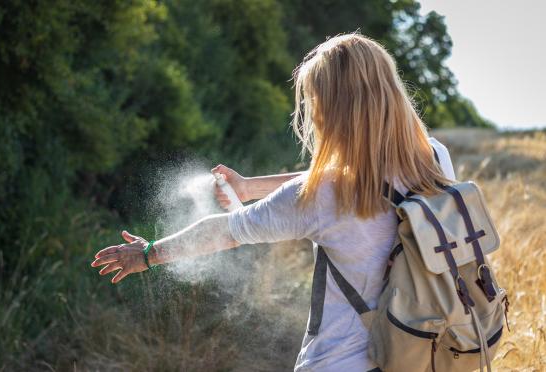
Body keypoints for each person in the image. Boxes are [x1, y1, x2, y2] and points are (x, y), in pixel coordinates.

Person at [91, 32, 456, 371]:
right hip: (421, 355)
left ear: (333, 106)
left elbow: (226, 231)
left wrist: (148, 254)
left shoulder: (324, 194)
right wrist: (249, 188)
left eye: (315, 98)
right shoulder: (433, 157)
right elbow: (348, 176)